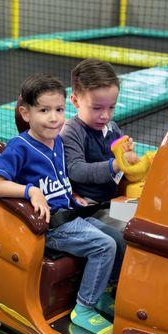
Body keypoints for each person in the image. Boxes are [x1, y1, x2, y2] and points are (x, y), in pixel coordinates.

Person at [0, 73, 125, 334]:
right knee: (103, 245)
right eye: (44, 110)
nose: (54, 118)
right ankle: (83, 308)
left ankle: (104, 289)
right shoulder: (20, 147)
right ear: (26, 113)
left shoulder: (58, 142)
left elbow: (59, 178)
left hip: (71, 215)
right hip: (51, 225)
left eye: (59, 110)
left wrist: (71, 195)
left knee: (118, 237)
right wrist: (31, 191)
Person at [61, 58, 138, 224]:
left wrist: (130, 158)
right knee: (128, 231)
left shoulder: (112, 128)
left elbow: (124, 167)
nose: (105, 115)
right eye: (97, 108)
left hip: (113, 201)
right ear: (75, 101)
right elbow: (76, 169)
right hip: (87, 207)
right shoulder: (72, 131)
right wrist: (116, 164)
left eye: (111, 107)